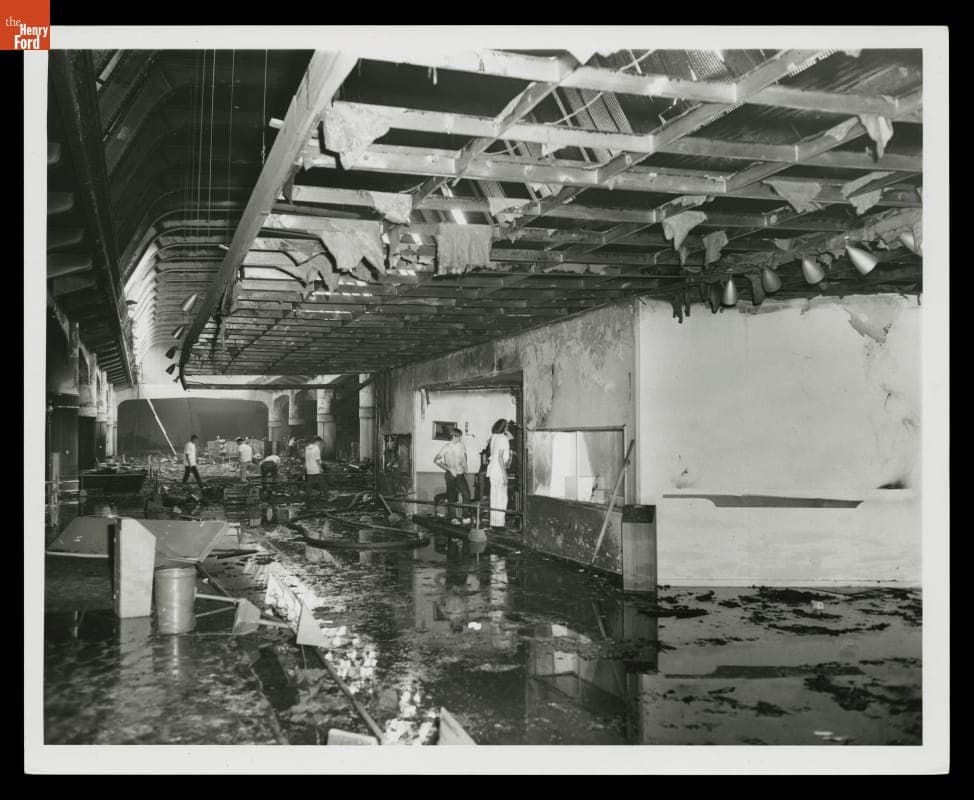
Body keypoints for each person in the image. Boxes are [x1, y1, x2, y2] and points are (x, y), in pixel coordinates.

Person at [433, 427, 471, 525]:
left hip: (460, 473)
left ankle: (465, 516)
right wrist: (449, 469)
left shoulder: (462, 445)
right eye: (458, 437)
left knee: (466, 494)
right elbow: (436, 461)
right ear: (453, 436)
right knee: (452, 496)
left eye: (460, 437)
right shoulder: (446, 447)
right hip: (450, 474)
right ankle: (453, 518)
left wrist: (466, 467)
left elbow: (464, 457)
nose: (460, 439)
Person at [486, 418, 512, 532]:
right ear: (505, 428)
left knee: (494, 497)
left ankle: (494, 523)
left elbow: (511, 437)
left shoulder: (494, 437)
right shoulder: (503, 439)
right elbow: (501, 458)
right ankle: (500, 525)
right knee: (502, 498)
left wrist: (504, 429)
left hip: (492, 469)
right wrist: (505, 475)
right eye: (507, 427)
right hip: (499, 469)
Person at [304, 435, 328, 505]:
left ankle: (307, 499)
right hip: (316, 469)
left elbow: (306, 459)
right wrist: (320, 468)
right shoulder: (316, 448)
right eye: (320, 442)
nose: (320, 444)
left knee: (309, 485)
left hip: (309, 469)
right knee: (323, 484)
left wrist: (305, 468)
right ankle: (327, 498)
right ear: (317, 441)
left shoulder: (308, 448)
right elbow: (317, 459)